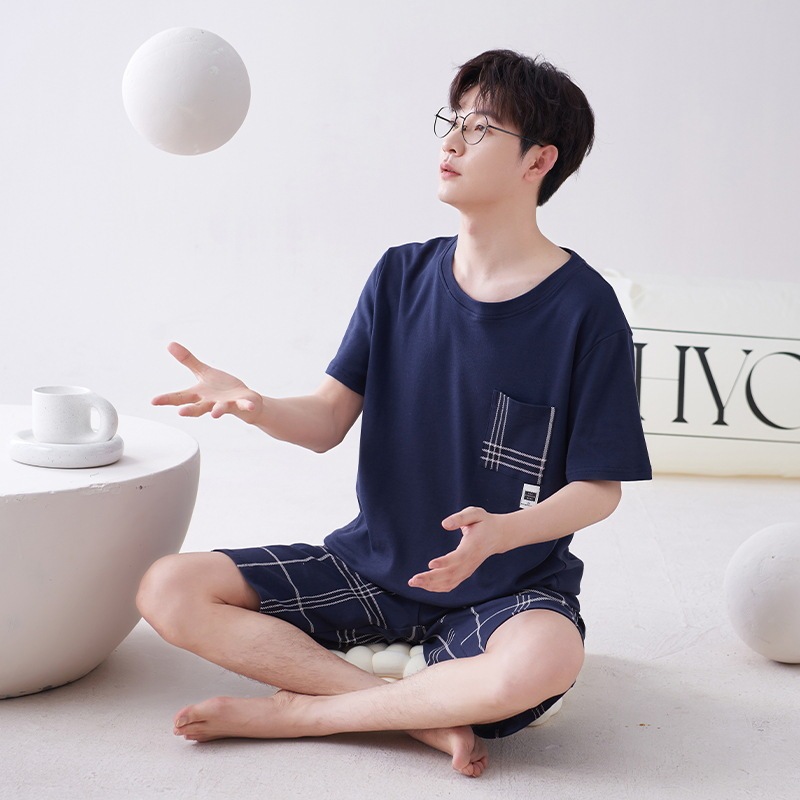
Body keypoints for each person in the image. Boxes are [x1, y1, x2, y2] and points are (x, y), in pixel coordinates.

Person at [137, 49, 651, 778]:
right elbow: (325, 421)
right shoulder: (399, 275)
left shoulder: (585, 309)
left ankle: (306, 712)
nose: (452, 142)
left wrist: (503, 533)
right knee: (167, 588)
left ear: (539, 161)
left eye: (480, 129)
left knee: (548, 658)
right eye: (453, 121)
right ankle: (416, 714)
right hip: (369, 570)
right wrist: (256, 405)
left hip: (505, 589)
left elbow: (599, 488)